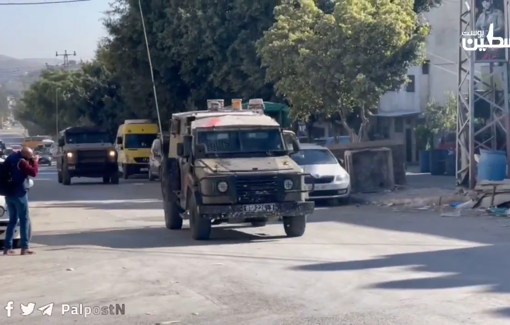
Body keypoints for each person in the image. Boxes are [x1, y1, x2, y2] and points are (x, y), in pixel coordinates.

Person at [2, 147, 39, 256]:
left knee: (12, 220)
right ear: (25, 155)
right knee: (24, 220)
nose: (31, 157)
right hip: (19, 194)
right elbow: (34, 172)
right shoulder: (21, 162)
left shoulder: (11, 158)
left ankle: (7, 248)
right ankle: (25, 247)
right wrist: (35, 162)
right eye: (30, 155)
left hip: (9, 194)